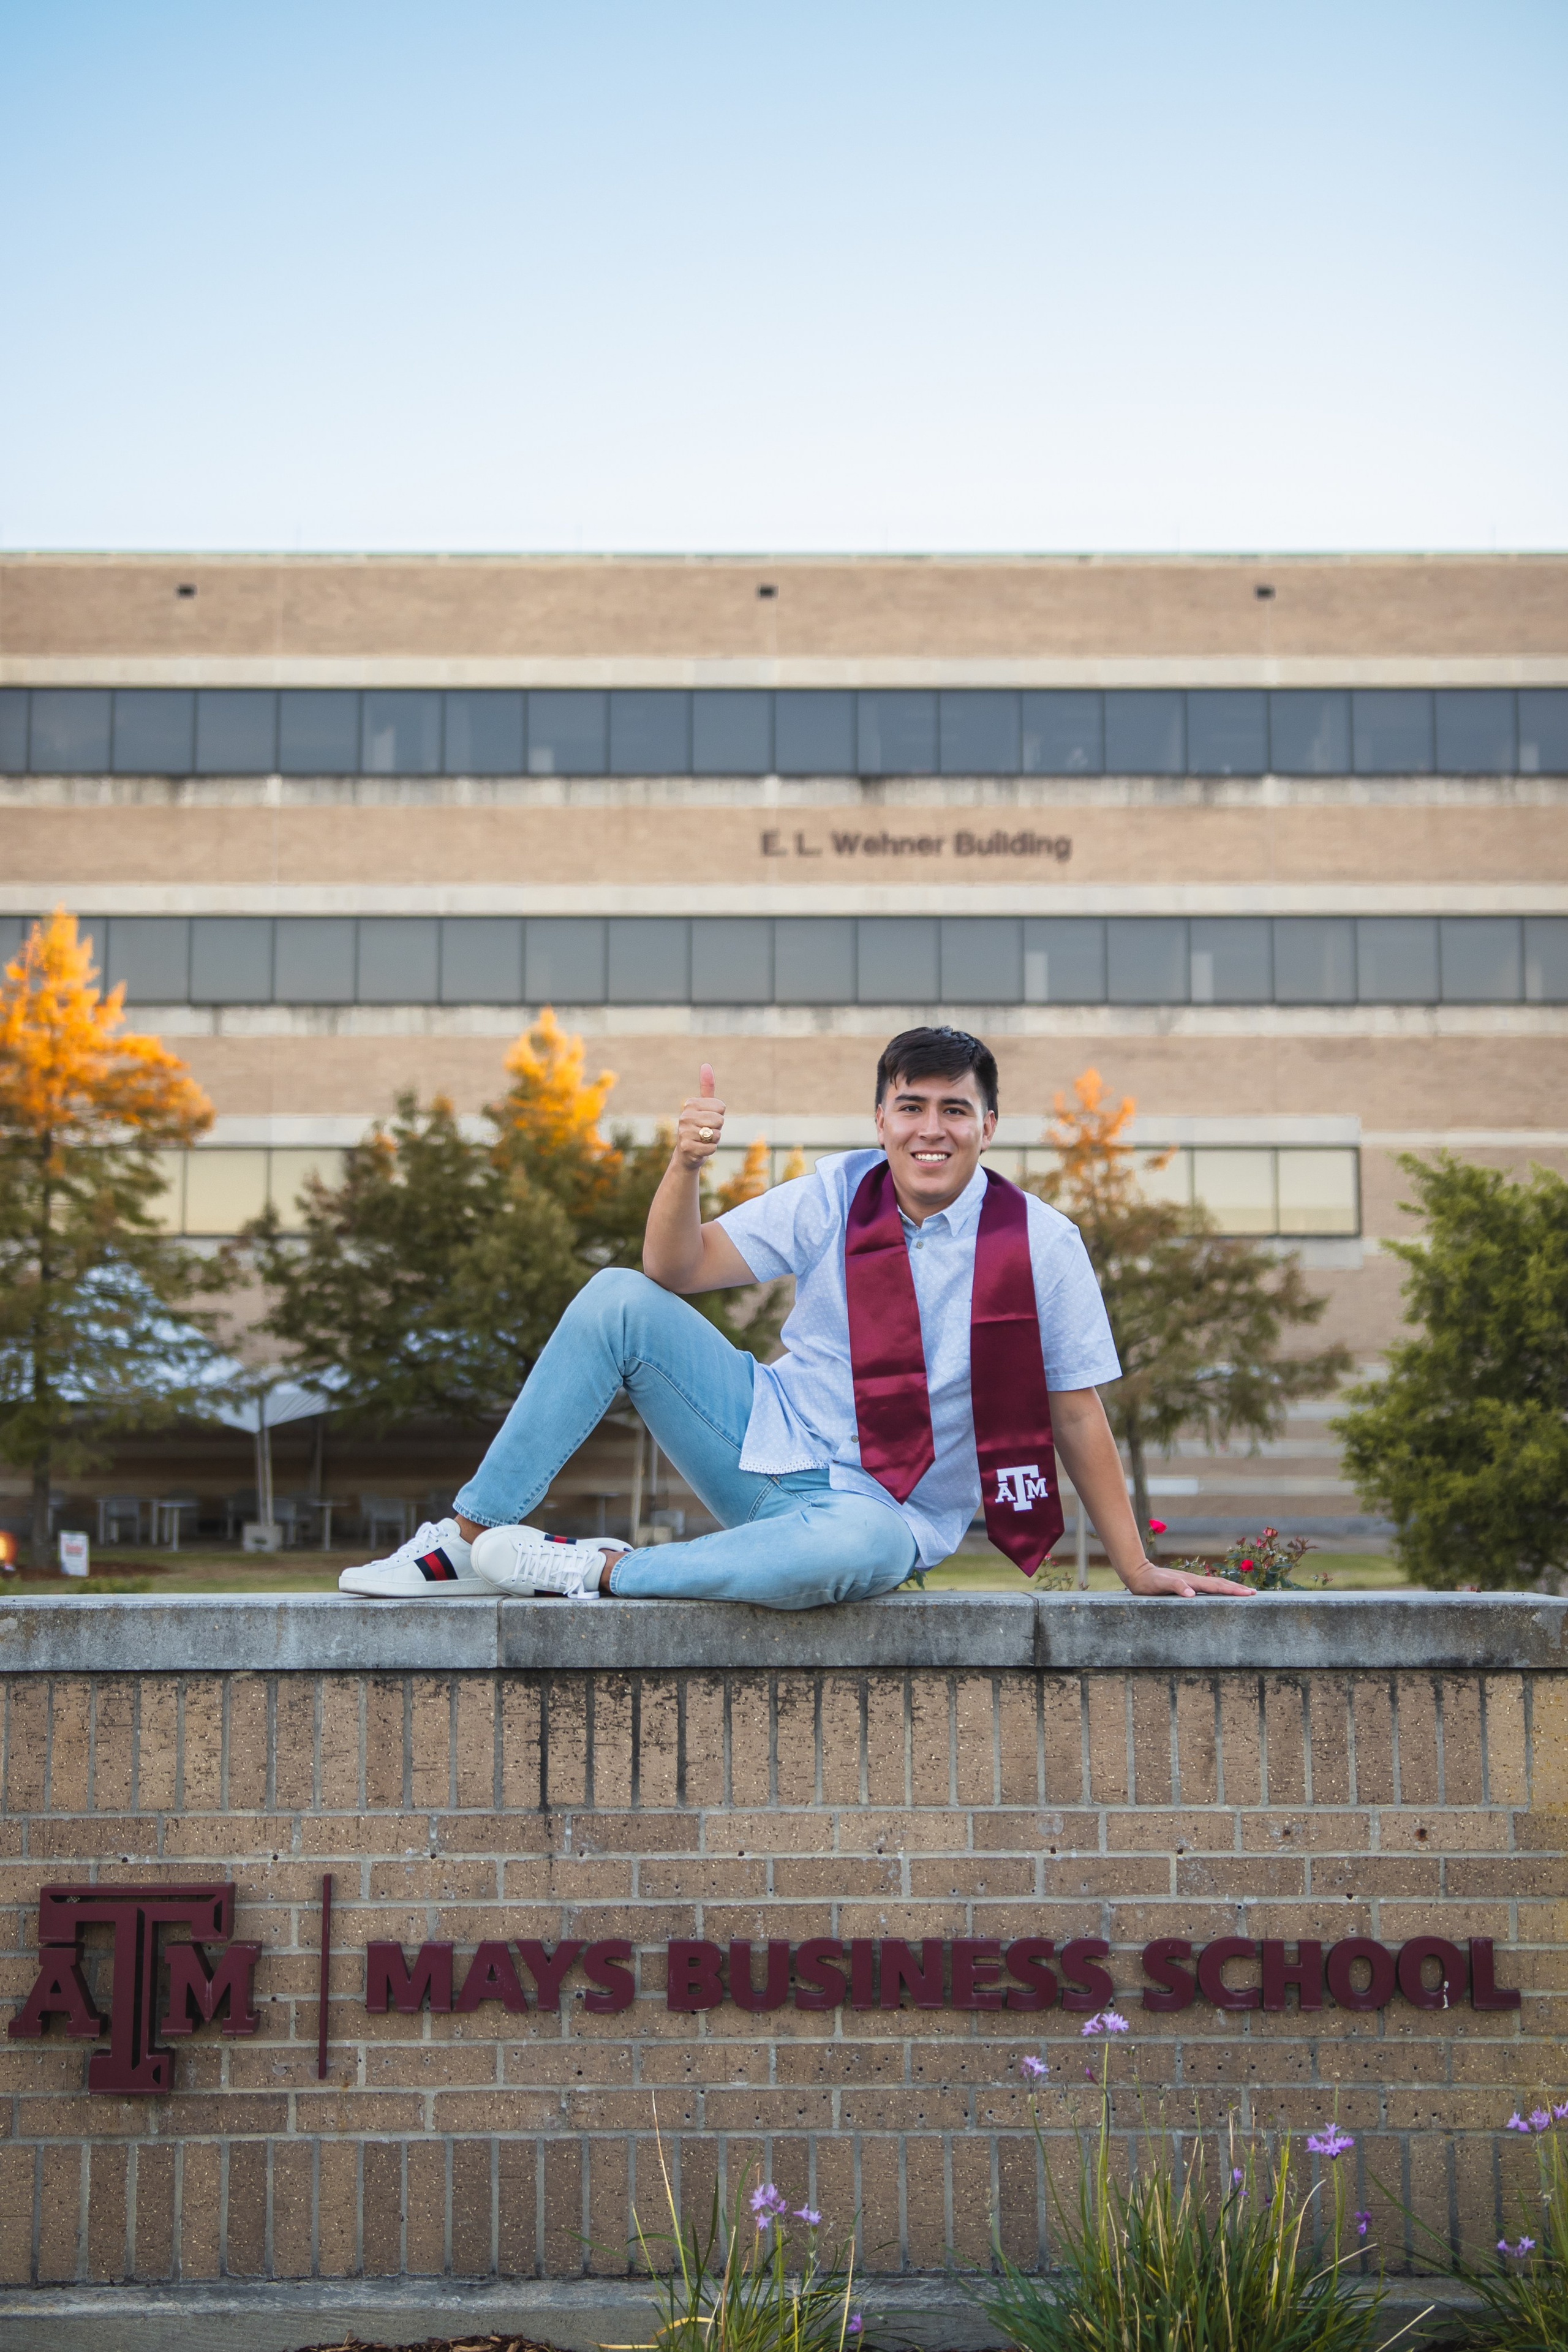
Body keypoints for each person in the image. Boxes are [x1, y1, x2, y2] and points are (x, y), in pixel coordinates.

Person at [339, 1026, 1253, 1607]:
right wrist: (685, 1168)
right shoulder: (834, 1192)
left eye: (954, 1110)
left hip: (882, 1509)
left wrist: (1135, 1566)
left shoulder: (1043, 1244)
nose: (931, 1128)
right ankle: (463, 1540)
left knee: (848, 1551)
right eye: (911, 1108)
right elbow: (676, 1267)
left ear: (988, 1124)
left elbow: (1076, 1411)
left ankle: (593, 1568)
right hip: (761, 1442)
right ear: (882, 1117)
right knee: (619, 1294)